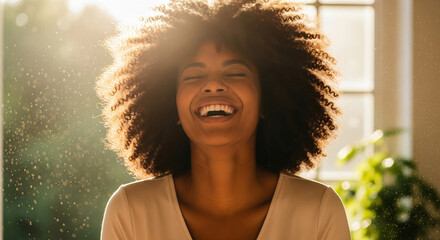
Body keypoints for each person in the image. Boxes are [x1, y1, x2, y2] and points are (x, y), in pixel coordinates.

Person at [97, 0, 351, 239]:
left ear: (268, 100)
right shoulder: (130, 211)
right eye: (193, 76)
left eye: (236, 73)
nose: (214, 85)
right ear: (170, 106)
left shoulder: (318, 210)